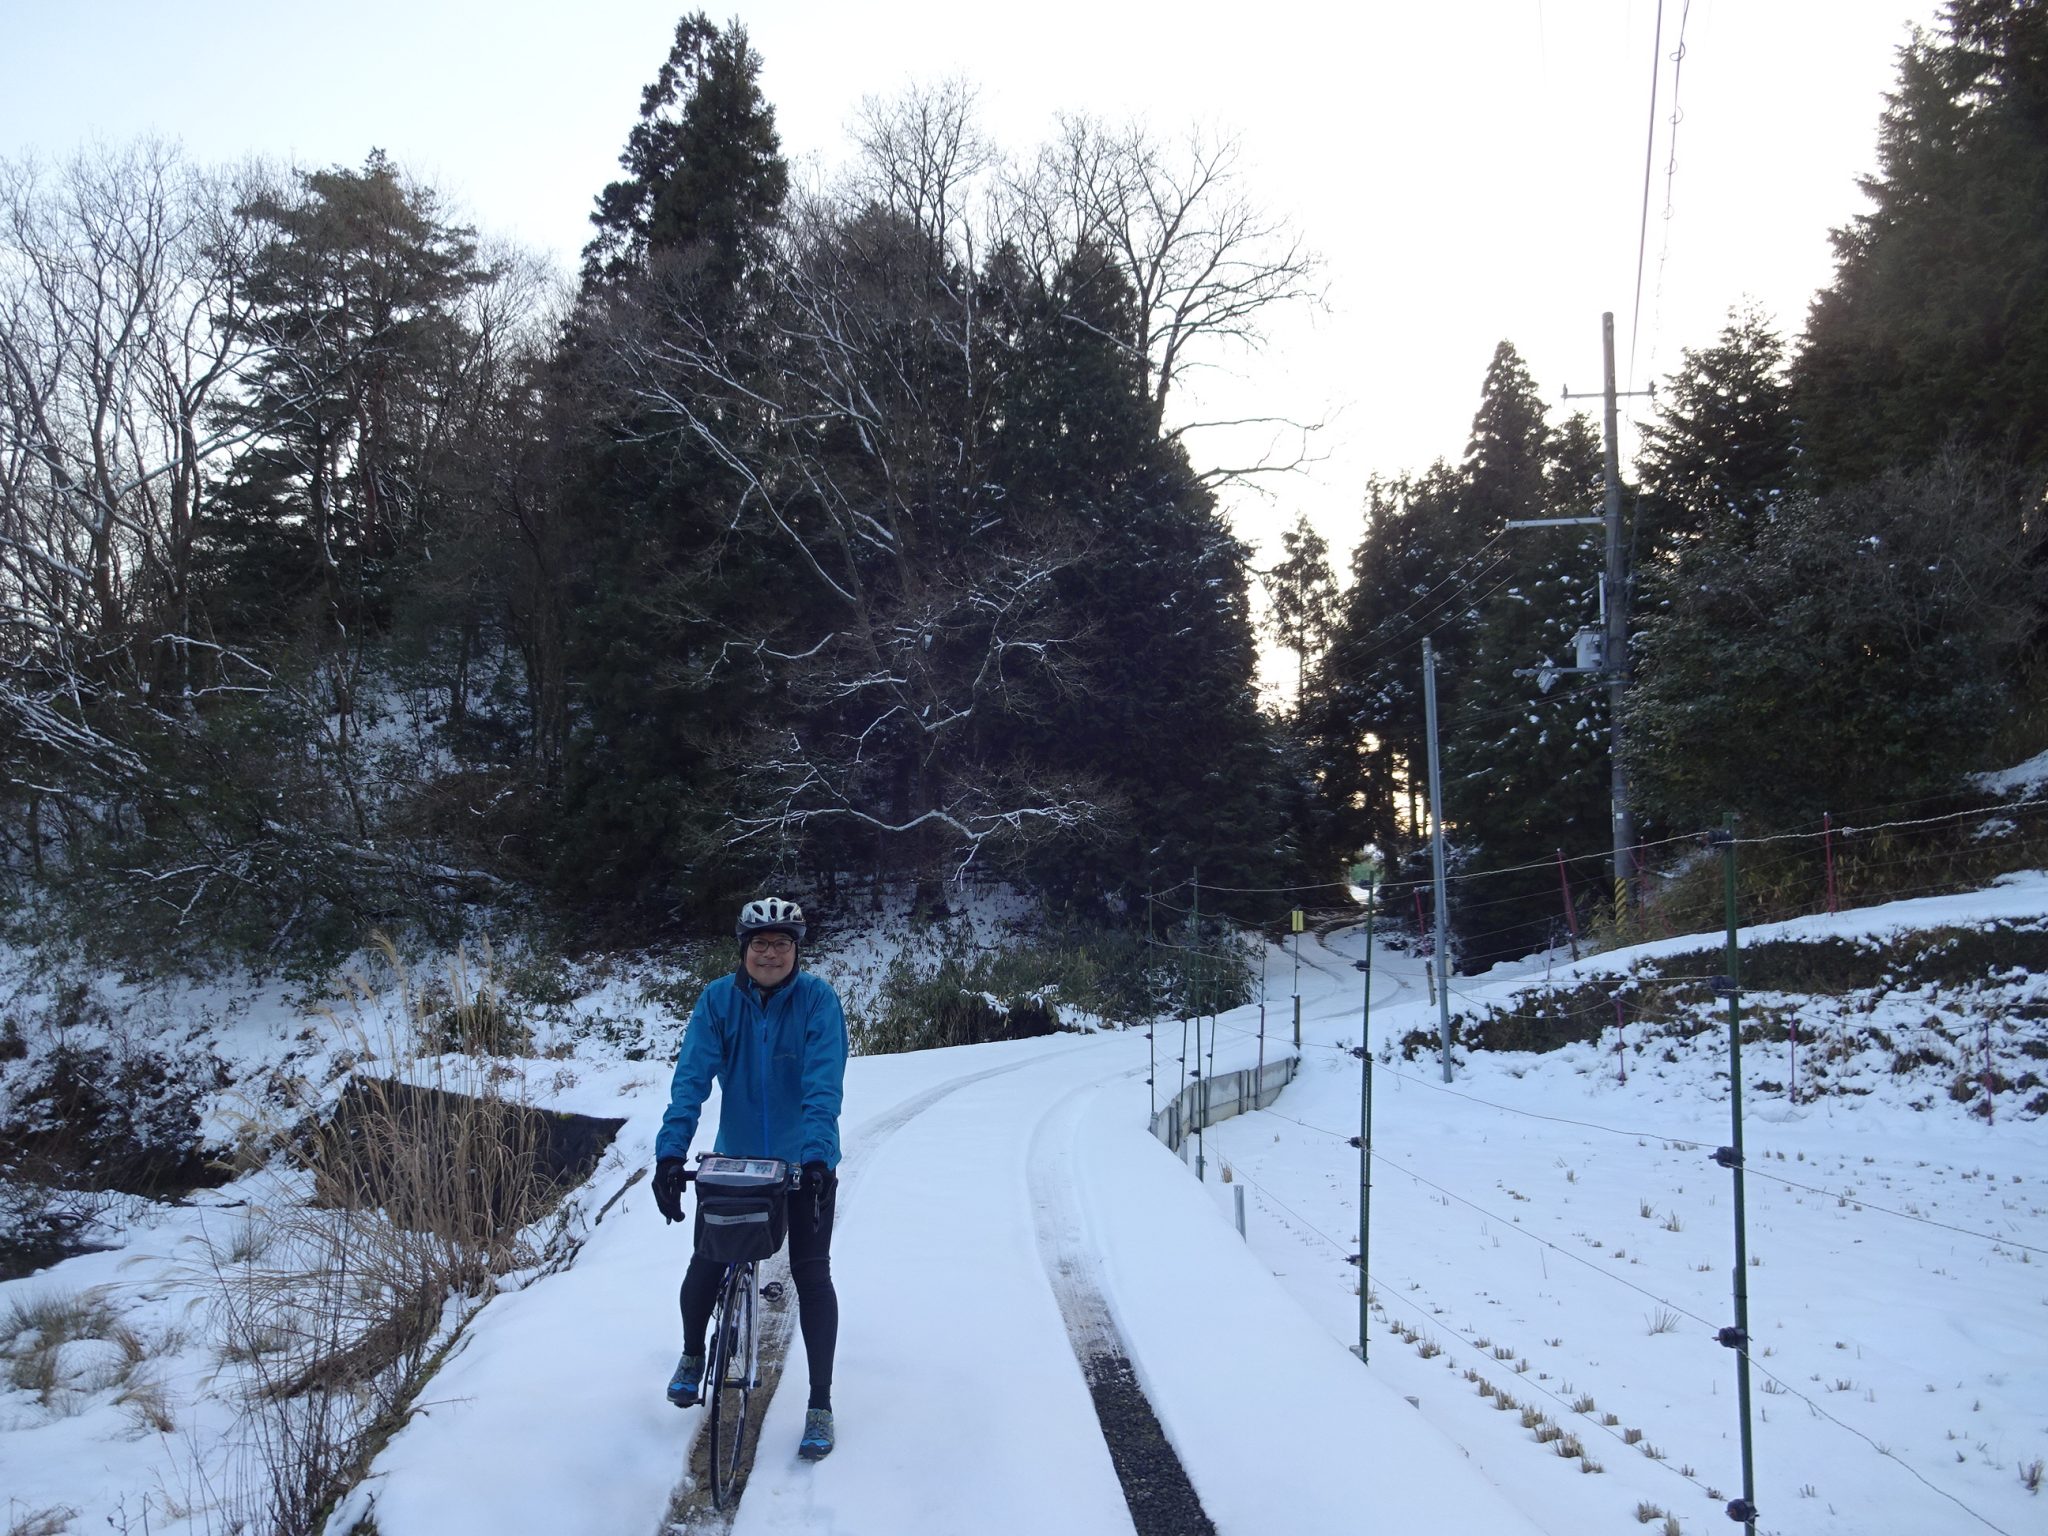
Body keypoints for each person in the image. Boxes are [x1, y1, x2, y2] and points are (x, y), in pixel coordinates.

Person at [652, 896, 848, 1462]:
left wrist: (815, 1163)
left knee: (812, 1276)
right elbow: (691, 1080)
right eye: (760, 944)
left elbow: (822, 1088)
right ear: (744, 949)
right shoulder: (718, 1000)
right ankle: (693, 1354)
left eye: (781, 943)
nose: (770, 953)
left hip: (800, 1161)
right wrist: (670, 1155)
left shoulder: (817, 1001)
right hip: (736, 1164)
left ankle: (820, 1403)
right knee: (707, 1263)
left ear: (796, 950)